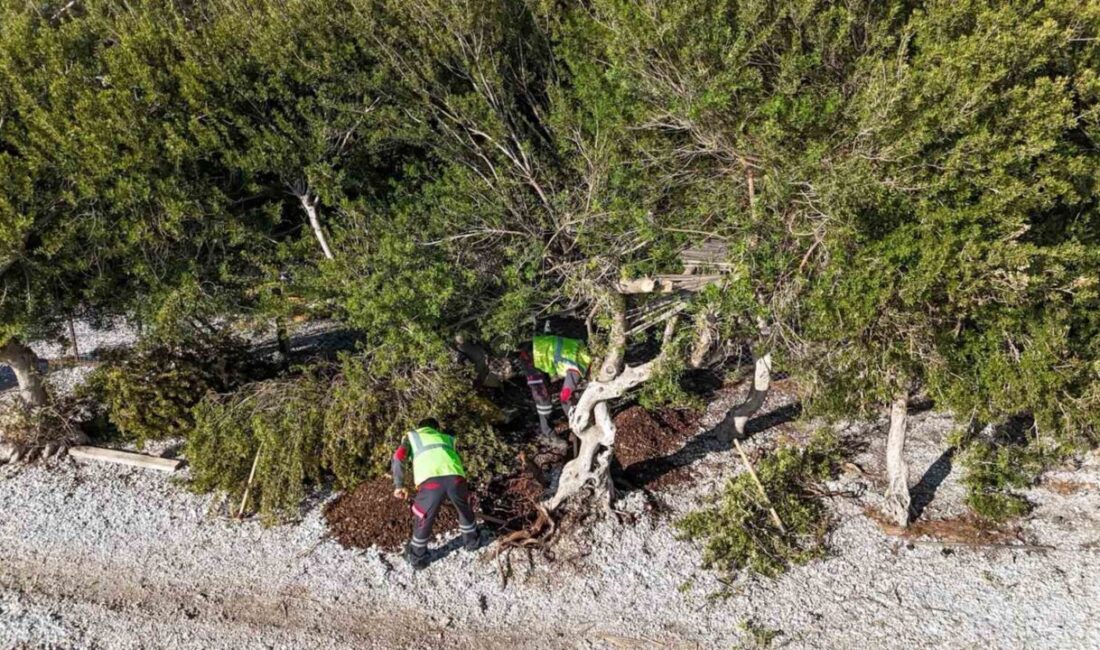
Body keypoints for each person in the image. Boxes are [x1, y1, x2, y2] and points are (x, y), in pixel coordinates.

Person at [391, 418, 479, 569]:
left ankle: (418, 558)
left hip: (431, 483)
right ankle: (472, 543)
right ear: (437, 428)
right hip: (456, 478)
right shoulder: (446, 438)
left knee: (423, 517)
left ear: (420, 427)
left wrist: (399, 485)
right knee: (464, 509)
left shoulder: (412, 436)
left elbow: (398, 457)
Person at [519, 334, 592, 449]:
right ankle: (548, 434)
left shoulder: (583, 350)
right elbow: (565, 397)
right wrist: (574, 421)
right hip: (531, 358)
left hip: (538, 347)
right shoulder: (578, 368)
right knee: (543, 399)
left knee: (550, 391)